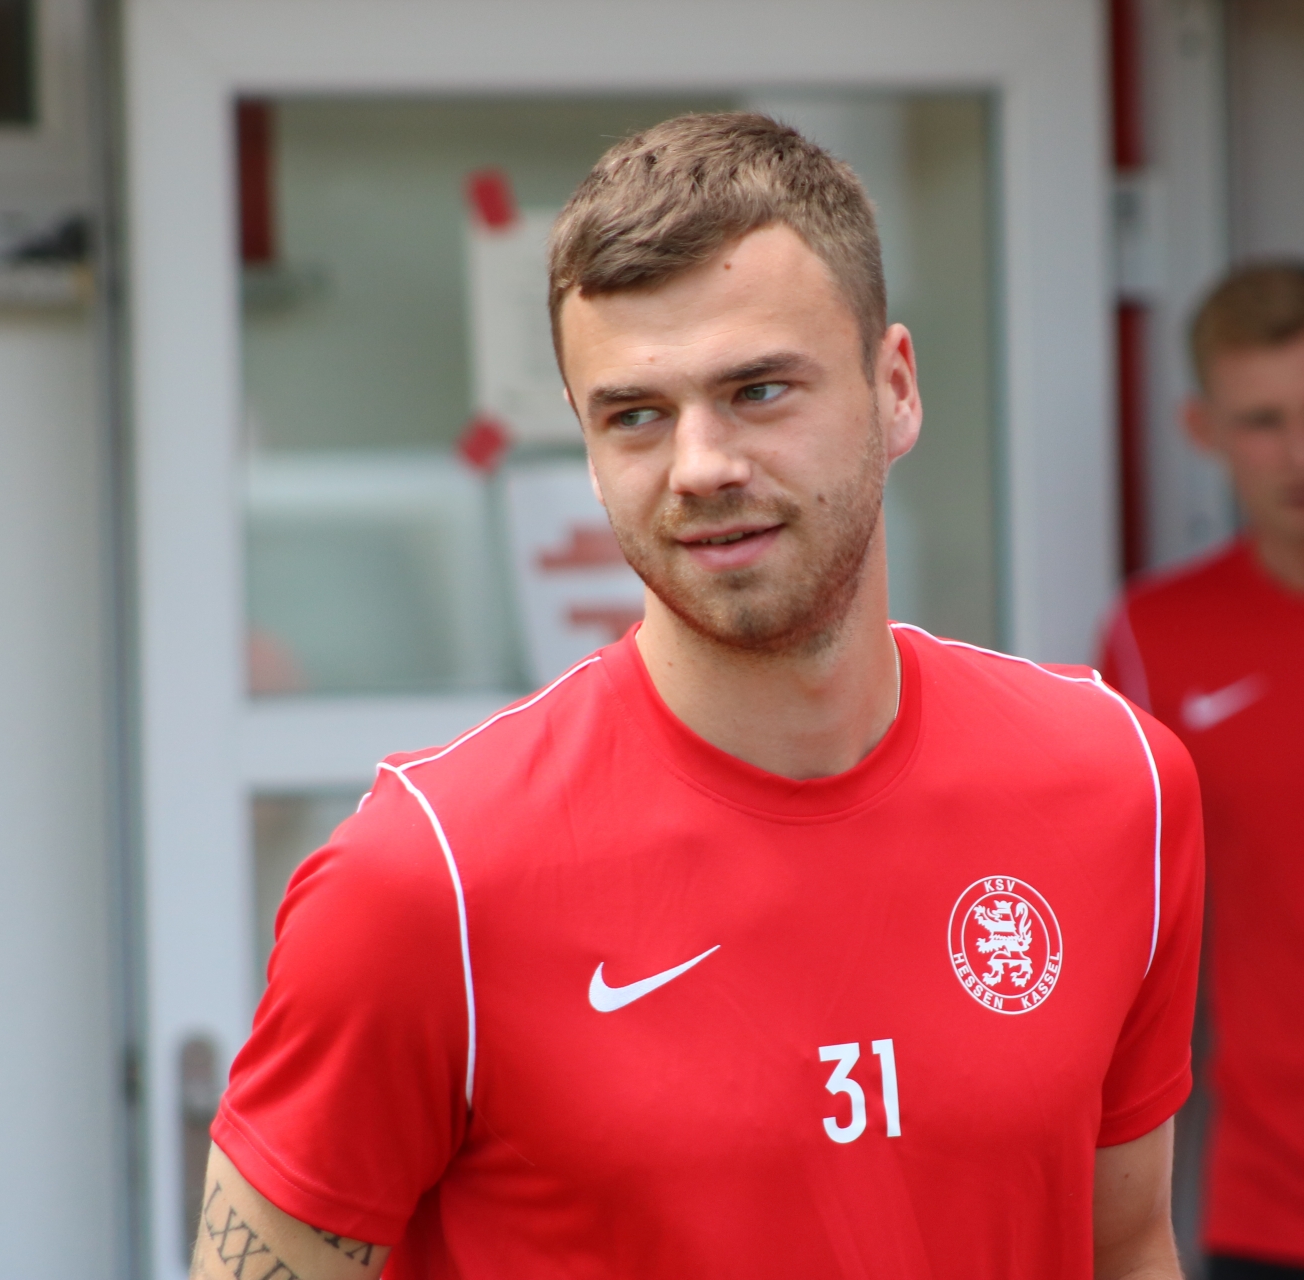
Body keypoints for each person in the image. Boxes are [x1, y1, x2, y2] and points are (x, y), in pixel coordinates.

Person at [189, 113, 1205, 1280]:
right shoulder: (427, 883)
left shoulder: (1116, 784)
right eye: (636, 414)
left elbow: (1126, 1245)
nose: (701, 465)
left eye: (759, 390)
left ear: (896, 388)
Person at [1099, 262, 1304, 1280]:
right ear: (1203, 428)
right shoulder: (1153, 636)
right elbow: (1126, 938)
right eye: (1264, 422)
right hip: (1271, 1196)